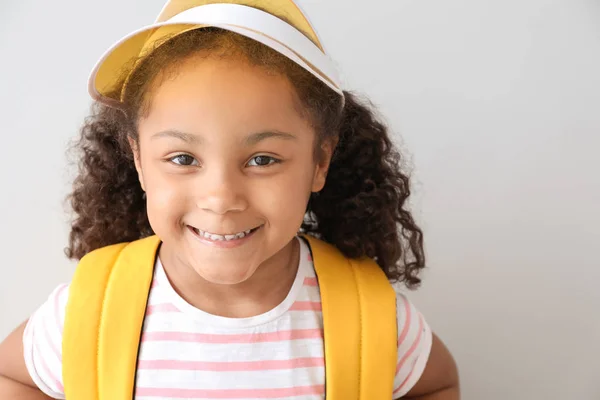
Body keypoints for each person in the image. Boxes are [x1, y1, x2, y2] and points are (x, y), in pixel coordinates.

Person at [0, 0, 459, 398]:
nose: (221, 198)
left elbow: (436, 385)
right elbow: (12, 378)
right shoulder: (87, 310)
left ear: (320, 161)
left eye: (262, 159)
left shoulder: (369, 314)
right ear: (138, 160)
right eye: (182, 158)